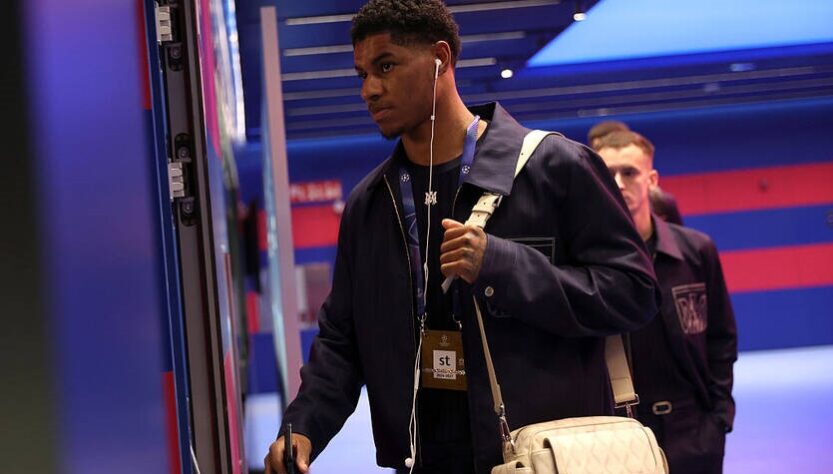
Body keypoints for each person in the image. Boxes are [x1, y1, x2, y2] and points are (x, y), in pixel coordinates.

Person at [265, 2, 659, 473]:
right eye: (362, 74)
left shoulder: (555, 168)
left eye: (386, 66)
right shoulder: (370, 205)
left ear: (441, 59)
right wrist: (304, 426)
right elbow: (341, 340)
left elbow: (634, 293)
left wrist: (502, 265)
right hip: (425, 459)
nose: (369, 89)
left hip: (543, 455)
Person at [596, 130, 737, 474]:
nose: (619, 183)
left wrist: (719, 417)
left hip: (695, 429)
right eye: (608, 174)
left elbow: (721, 338)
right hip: (621, 431)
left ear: (652, 179)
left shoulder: (697, 251)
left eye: (629, 172)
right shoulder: (587, 259)